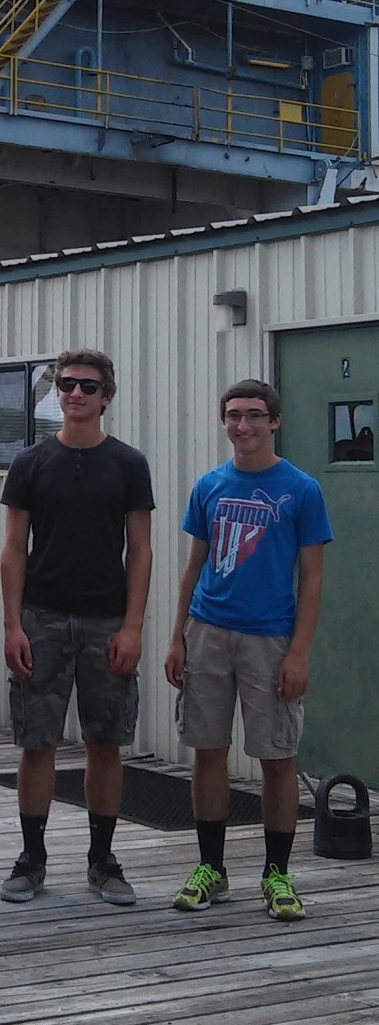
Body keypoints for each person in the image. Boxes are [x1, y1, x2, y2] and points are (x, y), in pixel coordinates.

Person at [165, 379, 332, 923]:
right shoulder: (210, 485)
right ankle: (211, 868)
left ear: (274, 421)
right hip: (208, 632)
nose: (244, 425)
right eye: (234, 415)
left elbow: (311, 579)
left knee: (276, 758)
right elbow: (194, 566)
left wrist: (299, 653)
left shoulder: (301, 490)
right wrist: (177, 636)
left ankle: (277, 874)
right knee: (207, 751)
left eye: (255, 415)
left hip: (270, 639)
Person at [0, 348, 154, 907]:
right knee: (36, 742)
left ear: (106, 396)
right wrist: (12, 625)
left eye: (88, 386)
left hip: (106, 620)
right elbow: (13, 548)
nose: (76, 394)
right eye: (67, 384)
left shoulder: (129, 464)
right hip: (40, 618)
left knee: (105, 743)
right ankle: (31, 859)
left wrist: (132, 626)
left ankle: (102, 861)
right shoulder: (29, 463)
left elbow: (141, 550)